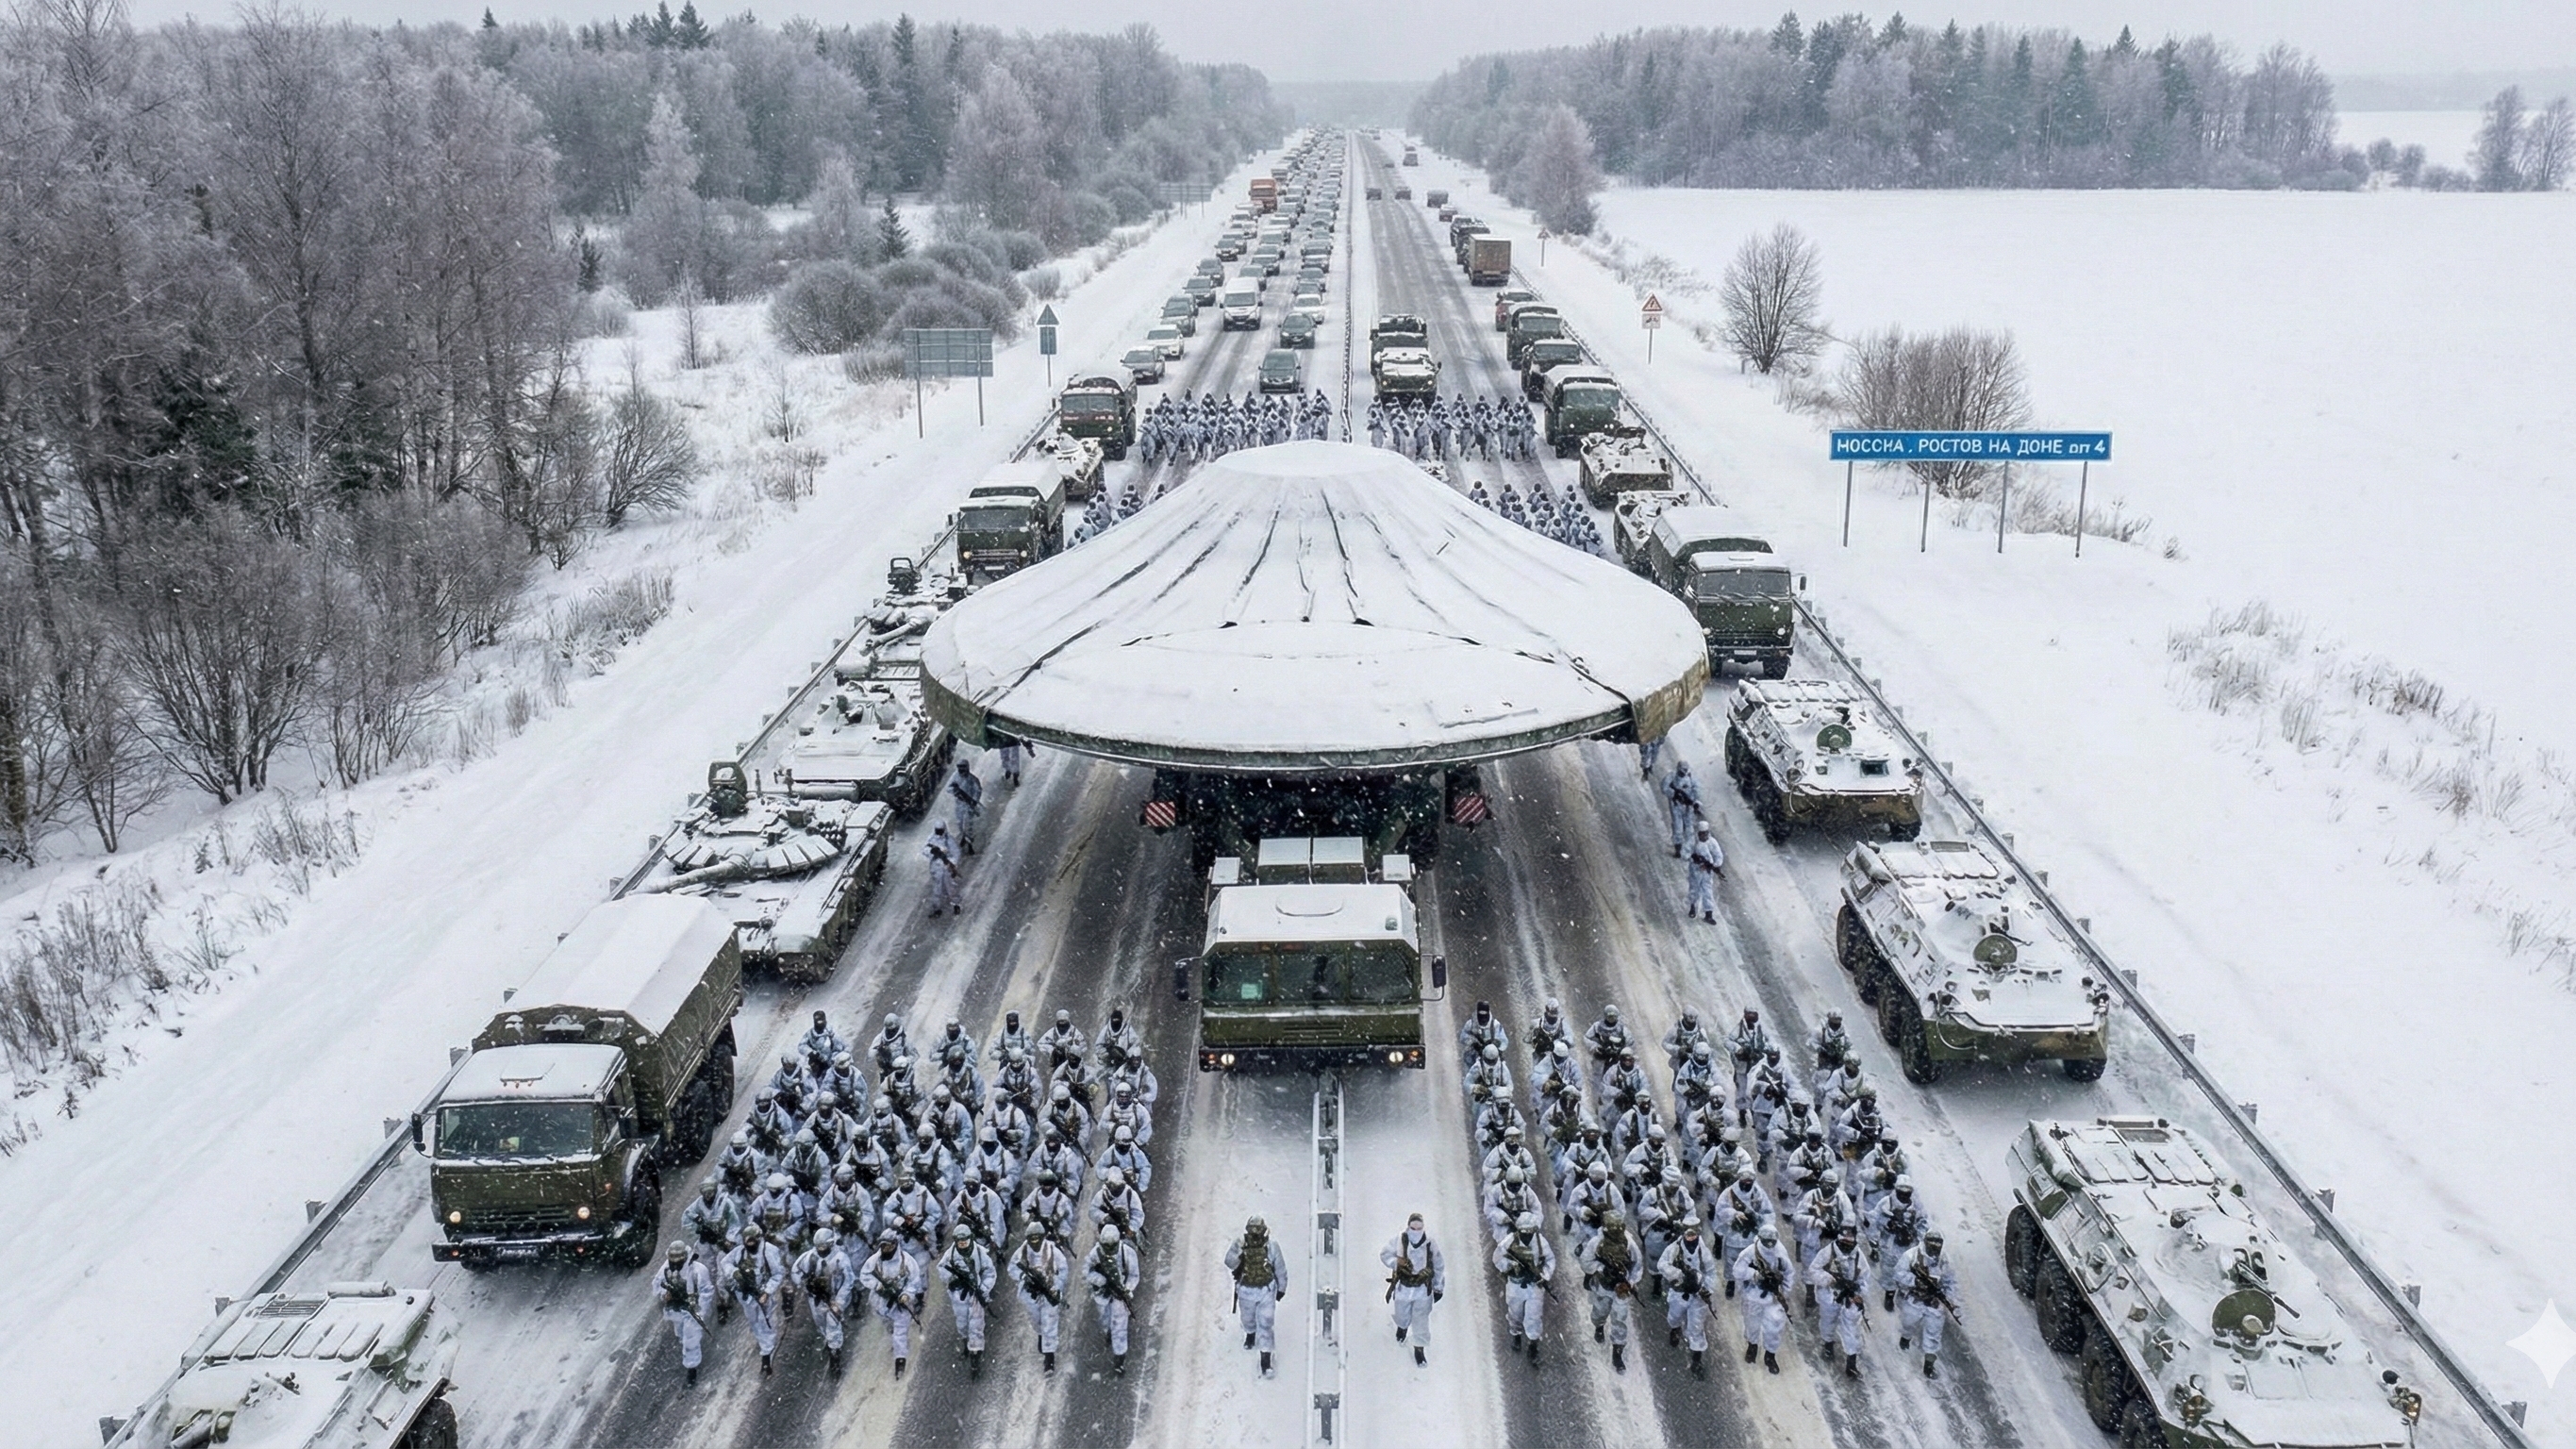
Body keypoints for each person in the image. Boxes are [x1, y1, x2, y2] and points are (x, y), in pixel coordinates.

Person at [1578, 1208, 1642, 1372]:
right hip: (1603, 1285)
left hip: (1621, 1289)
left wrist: (1631, 1282)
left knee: (1619, 1320)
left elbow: (1637, 1265)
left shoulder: (1628, 1243)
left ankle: (1617, 1353)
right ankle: (1599, 1327)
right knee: (1599, 1312)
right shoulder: (1597, 1242)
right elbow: (1586, 1261)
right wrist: (1601, 1268)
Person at [1226, 1215, 1290, 1377]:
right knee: (1247, 1318)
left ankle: (1266, 1360)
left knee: (1266, 1323)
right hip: (1246, 1290)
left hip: (1266, 1291)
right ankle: (1250, 1334)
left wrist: (1281, 1288)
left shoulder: (1272, 1246)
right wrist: (1238, 1251)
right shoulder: (1240, 1244)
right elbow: (1229, 1262)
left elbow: (1280, 1268)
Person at [1659, 1217, 1722, 1376]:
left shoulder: (1704, 1253)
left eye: (1694, 1234)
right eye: (1688, 1234)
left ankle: (1697, 1360)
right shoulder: (1674, 1249)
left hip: (1698, 1297)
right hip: (1679, 1293)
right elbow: (1662, 1265)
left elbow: (1711, 1273)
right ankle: (1675, 1329)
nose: (1691, 1238)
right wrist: (1680, 1275)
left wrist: (1705, 1287)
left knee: (1696, 1328)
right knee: (1674, 1317)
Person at [1380, 1212, 1446, 1365]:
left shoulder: (1430, 1243)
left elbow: (1439, 1265)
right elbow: (1384, 1254)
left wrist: (1438, 1287)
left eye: (1419, 1227)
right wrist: (1397, 1262)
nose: (1416, 1230)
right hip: (1403, 1287)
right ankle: (1402, 1328)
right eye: (1413, 1227)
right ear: (1408, 1226)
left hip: (1423, 1290)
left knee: (1421, 1320)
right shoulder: (1399, 1241)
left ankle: (1419, 1349)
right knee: (1402, 1314)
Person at [722, 1224, 787, 1376]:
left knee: (768, 1319)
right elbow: (726, 1262)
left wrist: (767, 1292)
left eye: (752, 1241)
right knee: (754, 1320)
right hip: (746, 1294)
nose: (749, 1244)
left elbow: (778, 1274)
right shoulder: (740, 1252)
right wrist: (734, 1272)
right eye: (746, 1241)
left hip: (763, 1292)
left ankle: (767, 1353)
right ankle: (764, 1344)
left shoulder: (769, 1251)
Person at [859, 1229, 925, 1378]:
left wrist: (906, 1295)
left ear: (895, 1245)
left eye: (889, 1246)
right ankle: (896, 1342)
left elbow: (914, 1281)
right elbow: (864, 1275)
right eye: (883, 1246)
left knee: (900, 1333)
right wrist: (878, 1286)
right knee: (889, 1327)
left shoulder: (907, 1261)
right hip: (880, 1302)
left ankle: (900, 1360)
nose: (886, 1249)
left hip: (900, 1304)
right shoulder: (875, 1260)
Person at [1732, 1223, 1795, 1374]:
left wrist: (1783, 1293)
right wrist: (1755, 1275)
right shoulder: (1750, 1252)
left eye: (1772, 1241)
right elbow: (1737, 1271)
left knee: (1774, 1327)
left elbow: (1789, 1273)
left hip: (1773, 1297)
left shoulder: (1780, 1254)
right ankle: (1752, 1346)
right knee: (1751, 1323)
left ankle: (1770, 1355)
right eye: (1766, 1241)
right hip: (1753, 1294)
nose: (1769, 1244)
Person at [1494, 1211, 1556, 1364]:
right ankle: (1516, 1334)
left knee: (1534, 1316)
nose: (1527, 1236)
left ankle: (1533, 1344)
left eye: (1530, 1233)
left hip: (1534, 1287)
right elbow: (1497, 1258)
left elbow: (1550, 1260)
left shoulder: (1541, 1242)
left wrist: (1544, 1275)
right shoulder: (1509, 1241)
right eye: (1524, 1232)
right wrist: (1511, 1266)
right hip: (1515, 1284)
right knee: (1515, 1313)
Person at [939, 1222, 999, 1376]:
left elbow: (989, 1273)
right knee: (962, 1322)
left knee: (976, 1324)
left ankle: (975, 1355)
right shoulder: (950, 1254)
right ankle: (966, 1342)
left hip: (975, 1292)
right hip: (958, 1294)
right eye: (960, 1240)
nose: (963, 1243)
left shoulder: (979, 1253)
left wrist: (984, 1289)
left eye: (965, 1239)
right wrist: (953, 1279)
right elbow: (942, 1269)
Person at [1811, 1226, 1870, 1379]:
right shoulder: (1827, 1252)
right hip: (1829, 1295)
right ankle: (1828, 1344)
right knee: (1828, 1321)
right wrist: (1830, 1280)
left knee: (1852, 1329)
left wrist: (1858, 1292)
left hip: (1849, 1299)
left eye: (1849, 1242)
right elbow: (1814, 1271)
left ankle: (1851, 1364)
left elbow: (1864, 1278)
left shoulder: (1858, 1256)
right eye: (1843, 1241)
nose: (1846, 1245)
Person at [1013, 1224, 1072, 1374]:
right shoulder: (1023, 1251)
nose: (1034, 1241)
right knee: (1036, 1319)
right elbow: (1012, 1268)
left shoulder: (1052, 1250)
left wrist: (1055, 1285)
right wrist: (1024, 1278)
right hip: (1031, 1293)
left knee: (1050, 1322)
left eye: (1037, 1238)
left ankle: (1049, 1358)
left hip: (1048, 1290)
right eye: (1031, 1238)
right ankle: (1041, 1335)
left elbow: (1063, 1269)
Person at [1896, 1231, 1957, 1378]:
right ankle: (1905, 1338)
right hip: (1914, 1298)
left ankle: (1929, 1365)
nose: (1935, 1246)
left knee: (1933, 1334)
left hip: (1933, 1303)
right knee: (1908, 1323)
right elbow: (1898, 1273)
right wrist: (1915, 1281)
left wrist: (1947, 1298)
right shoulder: (1911, 1256)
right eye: (1932, 1243)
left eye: (1938, 1243)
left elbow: (1950, 1281)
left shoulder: (1944, 1261)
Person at [794, 1226, 855, 1374]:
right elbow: (795, 1271)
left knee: (833, 1324)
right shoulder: (808, 1257)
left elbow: (849, 1280)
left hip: (834, 1297)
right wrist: (805, 1284)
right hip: (816, 1298)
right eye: (819, 1246)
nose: (822, 1249)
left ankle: (835, 1356)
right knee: (820, 1323)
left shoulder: (840, 1258)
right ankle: (830, 1342)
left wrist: (839, 1301)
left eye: (824, 1246)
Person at [1089, 1223, 1143, 1376]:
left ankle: (1119, 1360)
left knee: (1120, 1327)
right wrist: (1102, 1282)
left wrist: (1126, 1288)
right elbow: (1089, 1273)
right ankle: (1108, 1332)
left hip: (1120, 1296)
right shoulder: (1095, 1254)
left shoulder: (1128, 1254)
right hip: (1103, 1295)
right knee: (1105, 1318)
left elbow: (1134, 1276)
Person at [656, 1241, 714, 1386]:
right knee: (681, 1334)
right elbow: (658, 1284)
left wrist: (700, 1309)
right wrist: (664, 1294)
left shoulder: (697, 1270)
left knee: (691, 1338)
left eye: (678, 1259)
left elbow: (707, 1291)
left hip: (691, 1309)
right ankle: (689, 1353)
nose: (675, 1262)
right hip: (676, 1308)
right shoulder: (666, 1269)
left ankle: (692, 1368)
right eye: (672, 1259)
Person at [1687, 822, 1726, 923]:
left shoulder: (1712, 842)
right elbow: (1685, 853)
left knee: (1707, 891)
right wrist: (1693, 858)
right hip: (1695, 870)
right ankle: (1693, 908)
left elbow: (1719, 856)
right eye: (1701, 833)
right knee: (1694, 889)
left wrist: (1712, 865)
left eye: (1705, 833)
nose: (1703, 835)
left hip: (1707, 872)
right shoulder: (1693, 841)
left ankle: (1708, 913)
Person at [1664, 760, 1703, 856]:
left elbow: (1697, 792)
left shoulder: (1692, 779)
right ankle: (1678, 848)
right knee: (1678, 827)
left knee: (1689, 828)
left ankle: (1690, 850)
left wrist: (1695, 803)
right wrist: (1674, 794)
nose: (1683, 773)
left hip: (1688, 807)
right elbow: (1664, 788)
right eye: (1681, 772)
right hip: (1676, 805)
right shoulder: (1671, 777)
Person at [948, 758, 984, 855]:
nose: (961, 769)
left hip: (969, 806)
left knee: (969, 826)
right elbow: (948, 788)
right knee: (960, 824)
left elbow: (978, 790)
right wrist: (955, 791)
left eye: (963, 767)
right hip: (959, 805)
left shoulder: (972, 779)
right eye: (959, 767)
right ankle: (964, 836)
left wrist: (974, 801)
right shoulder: (955, 777)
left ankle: (970, 845)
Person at [925, 824, 962, 916]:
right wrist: (932, 851)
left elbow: (956, 853)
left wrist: (951, 862)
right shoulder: (931, 839)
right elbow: (924, 849)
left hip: (946, 869)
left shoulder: (949, 840)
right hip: (936, 868)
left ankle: (956, 904)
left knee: (951, 888)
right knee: (937, 890)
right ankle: (936, 909)